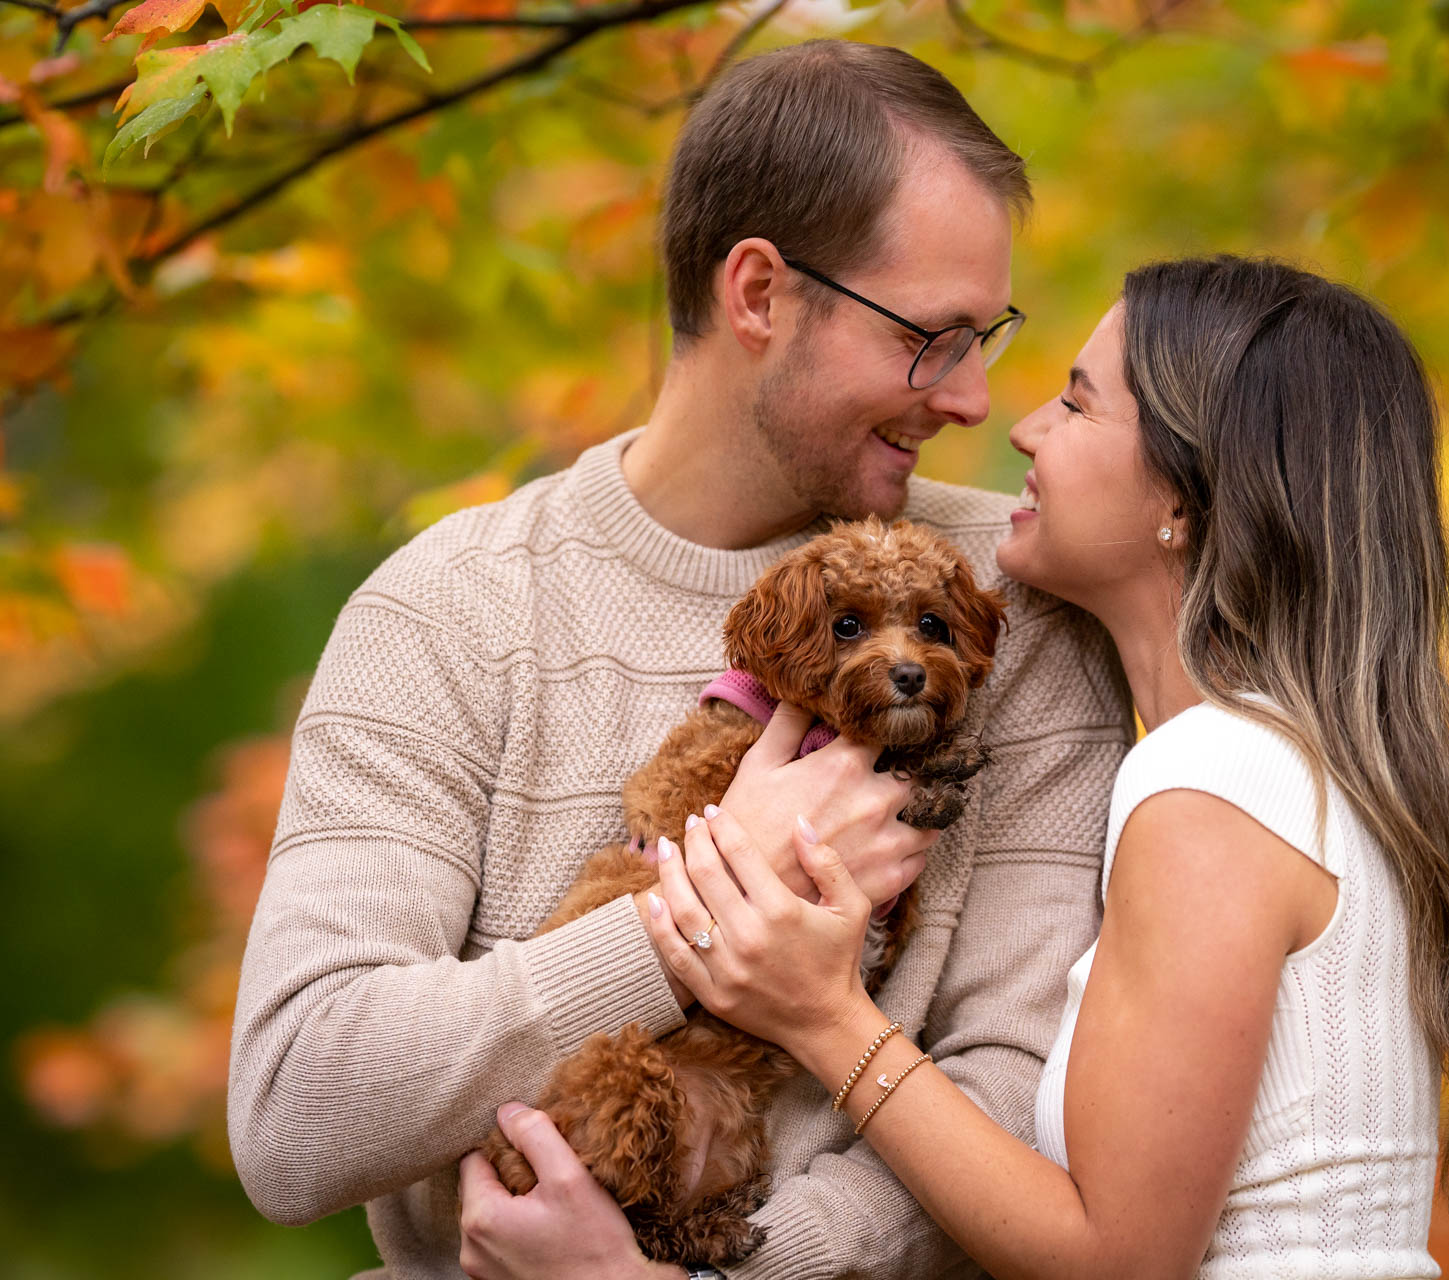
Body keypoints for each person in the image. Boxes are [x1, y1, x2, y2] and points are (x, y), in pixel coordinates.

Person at [226, 39, 1135, 1280]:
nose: (975, 398)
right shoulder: (445, 608)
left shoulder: (1003, 607)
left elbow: (1020, 1094)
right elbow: (296, 1108)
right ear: (758, 293)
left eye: (989, 335)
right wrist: (694, 909)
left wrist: (712, 1275)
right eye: (933, 337)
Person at [463, 256, 1449, 1278]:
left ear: (1184, 495)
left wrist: (819, 1011)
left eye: (1076, 404)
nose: (1022, 425)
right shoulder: (1267, 768)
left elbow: (1118, 1259)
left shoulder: (1217, 786)